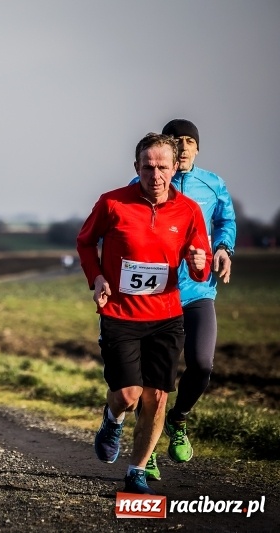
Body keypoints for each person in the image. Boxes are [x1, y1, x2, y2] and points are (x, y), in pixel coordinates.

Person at [76, 132, 212, 494]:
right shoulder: (112, 203)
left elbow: (200, 266)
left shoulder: (188, 211)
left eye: (162, 167)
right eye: (148, 167)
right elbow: (85, 242)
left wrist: (200, 264)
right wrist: (97, 277)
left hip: (166, 317)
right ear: (136, 166)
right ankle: (112, 419)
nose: (155, 175)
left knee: (158, 396)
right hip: (120, 313)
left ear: (175, 167)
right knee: (128, 394)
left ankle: (136, 471)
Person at [128, 119, 236, 481]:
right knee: (153, 380)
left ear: (198, 148)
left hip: (198, 291)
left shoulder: (213, 184)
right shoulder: (147, 182)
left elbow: (226, 221)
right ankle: (146, 452)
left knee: (202, 364)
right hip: (157, 295)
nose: (185, 147)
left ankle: (178, 420)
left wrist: (224, 248)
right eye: (177, 141)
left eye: (191, 141)